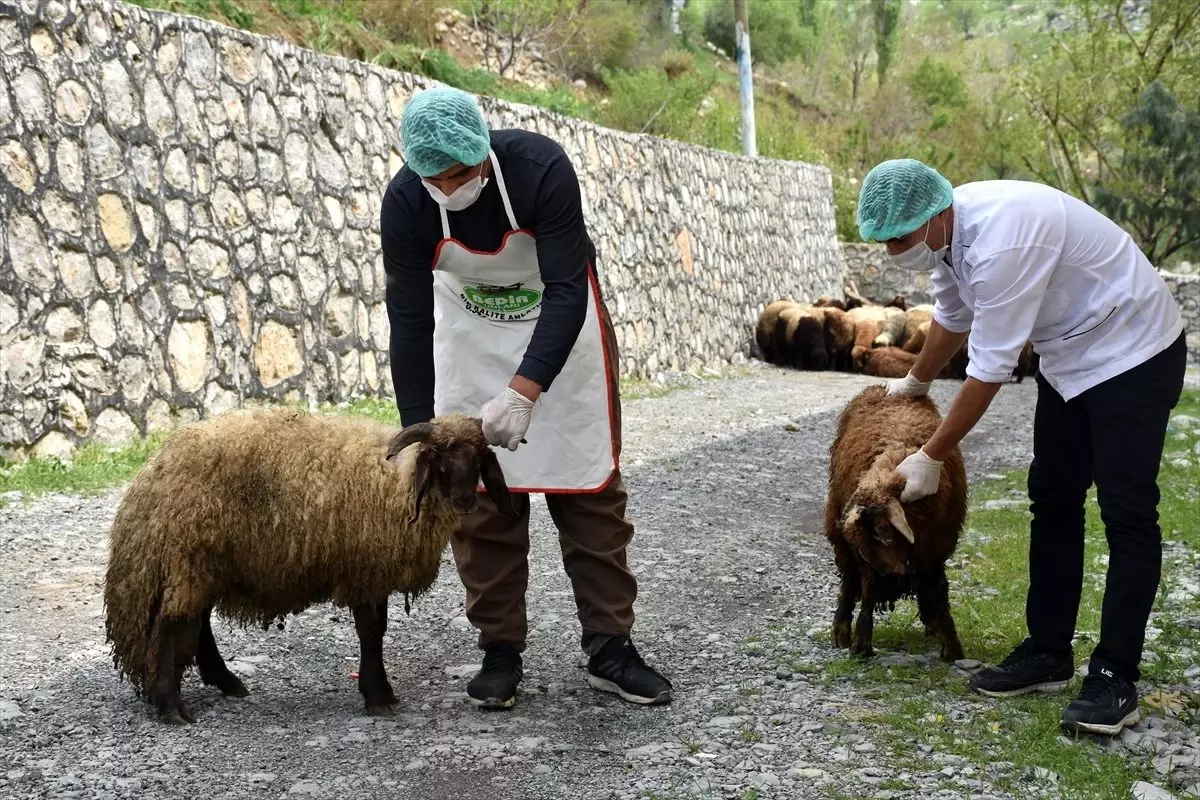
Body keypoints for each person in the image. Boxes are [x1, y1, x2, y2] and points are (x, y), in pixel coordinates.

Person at [856, 158, 1186, 737]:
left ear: (932, 217)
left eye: (898, 239)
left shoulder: (1002, 243)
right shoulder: (949, 238)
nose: (892, 253)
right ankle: (1048, 651)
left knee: (1127, 510)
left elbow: (988, 370)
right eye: (883, 242)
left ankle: (1114, 677)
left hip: (1133, 348)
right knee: (1053, 496)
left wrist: (931, 454)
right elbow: (952, 320)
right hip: (1071, 356)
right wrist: (915, 381)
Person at [379, 86, 671, 710]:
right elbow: (407, 321)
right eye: (435, 176)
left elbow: (568, 288)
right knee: (477, 499)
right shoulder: (407, 203)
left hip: (560, 332)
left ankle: (610, 647)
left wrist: (522, 393)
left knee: (589, 490)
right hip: (469, 335)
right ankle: (500, 649)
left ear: (484, 152)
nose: (449, 186)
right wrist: (418, 433)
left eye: (461, 172)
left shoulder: (540, 170)